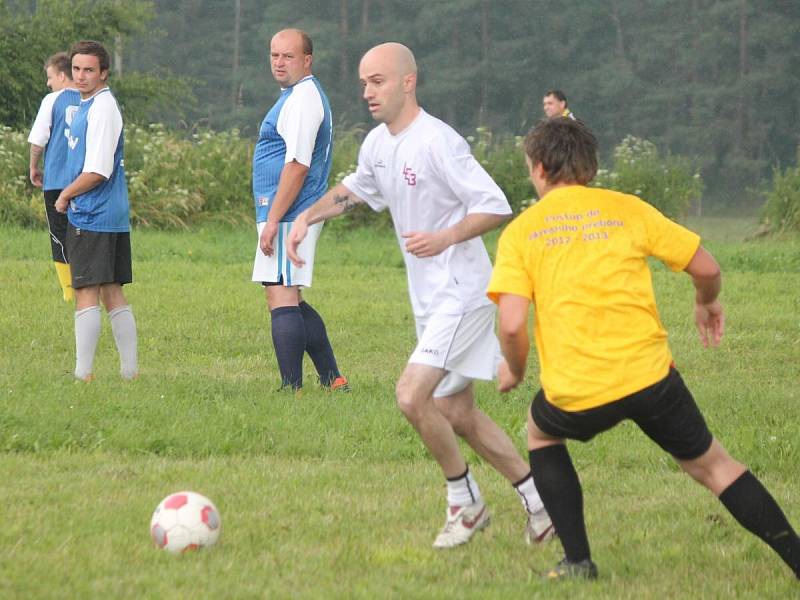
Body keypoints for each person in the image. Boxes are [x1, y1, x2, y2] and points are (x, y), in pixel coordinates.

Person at [488, 117, 800, 580]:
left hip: (577, 393)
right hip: (651, 379)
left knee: (540, 431)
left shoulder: (522, 232)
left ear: (536, 168)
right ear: (591, 168)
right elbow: (707, 268)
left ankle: (578, 561)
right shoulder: (627, 208)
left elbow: (512, 324)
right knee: (715, 466)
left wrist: (514, 371)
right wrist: (706, 302)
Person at [287, 42, 553, 549]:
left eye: (378, 81)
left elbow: (495, 205)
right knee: (456, 412)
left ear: (408, 82)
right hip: (430, 301)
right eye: (364, 82)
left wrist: (446, 236)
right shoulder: (378, 144)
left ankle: (465, 500)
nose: (367, 91)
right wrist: (305, 217)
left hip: (462, 292)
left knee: (412, 396)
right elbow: (353, 190)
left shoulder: (438, 141)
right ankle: (541, 503)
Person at [251, 28, 347, 393]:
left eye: (287, 56)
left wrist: (274, 219)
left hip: (292, 212)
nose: (279, 62)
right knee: (290, 293)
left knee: (280, 293)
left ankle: (290, 388)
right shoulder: (295, 96)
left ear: (307, 60)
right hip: (289, 210)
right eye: (274, 55)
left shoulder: (303, 99)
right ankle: (333, 378)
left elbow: (297, 164)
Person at [55, 40, 137, 382]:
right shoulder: (88, 104)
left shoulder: (102, 108)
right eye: (76, 69)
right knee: (111, 290)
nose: (82, 76)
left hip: (94, 212)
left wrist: (65, 196)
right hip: (107, 213)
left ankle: (83, 374)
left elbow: (99, 169)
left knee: (87, 290)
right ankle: (129, 373)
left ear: (104, 72)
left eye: (90, 69)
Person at [27, 52, 81, 302]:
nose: (48, 83)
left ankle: (70, 291)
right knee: (83, 232)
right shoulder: (89, 99)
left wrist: (34, 167)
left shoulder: (52, 100)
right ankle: (89, 282)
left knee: (59, 234)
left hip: (57, 180)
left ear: (61, 75)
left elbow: (38, 140)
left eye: (50, 77)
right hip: (85, 180)